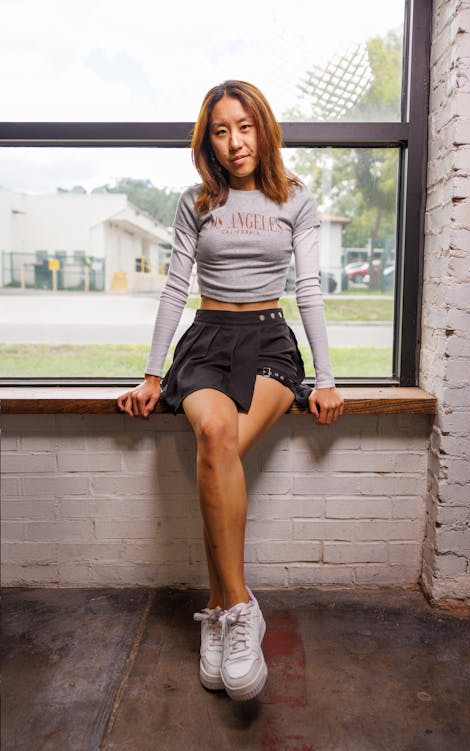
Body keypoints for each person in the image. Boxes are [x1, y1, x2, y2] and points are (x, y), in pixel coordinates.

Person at [117, 80, 344, 702]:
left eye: (244, 126)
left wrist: (324, 379)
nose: (234, 141)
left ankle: (221, 612)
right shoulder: (196, 201)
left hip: (269, 339)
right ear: (207, 140)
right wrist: (153, 372)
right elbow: (173, 289)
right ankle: (240, 609)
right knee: (217, 436)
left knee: (219, 454)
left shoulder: (293, 198)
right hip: (206, 340)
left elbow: (309, 291)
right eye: (221, 130)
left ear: (263, 129)